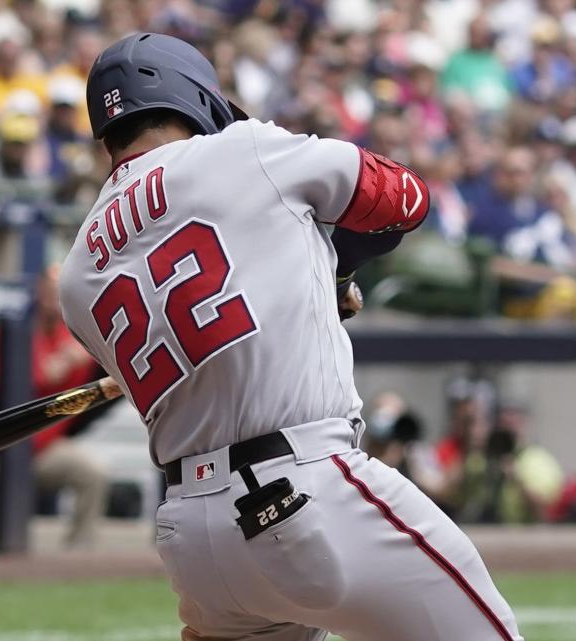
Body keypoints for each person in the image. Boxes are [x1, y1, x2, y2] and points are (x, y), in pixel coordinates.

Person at [59, 34, 521, 641]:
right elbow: (403, 201)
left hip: (191, 537)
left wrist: (312, 272)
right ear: (197, 94)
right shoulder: (241, 150)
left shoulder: (75, 274)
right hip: (305, 491)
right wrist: (337, 266)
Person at [0, 267, 108, 550]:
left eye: (59, 293)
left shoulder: (74, 338)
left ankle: (78, 555)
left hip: (43, 447)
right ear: (39, 292)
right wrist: (42, 374)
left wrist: (89, 359)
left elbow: (84, 397)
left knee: (94, 472)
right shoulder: (13, 330)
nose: (54, 299)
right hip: (0, 443)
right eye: (49, 291)